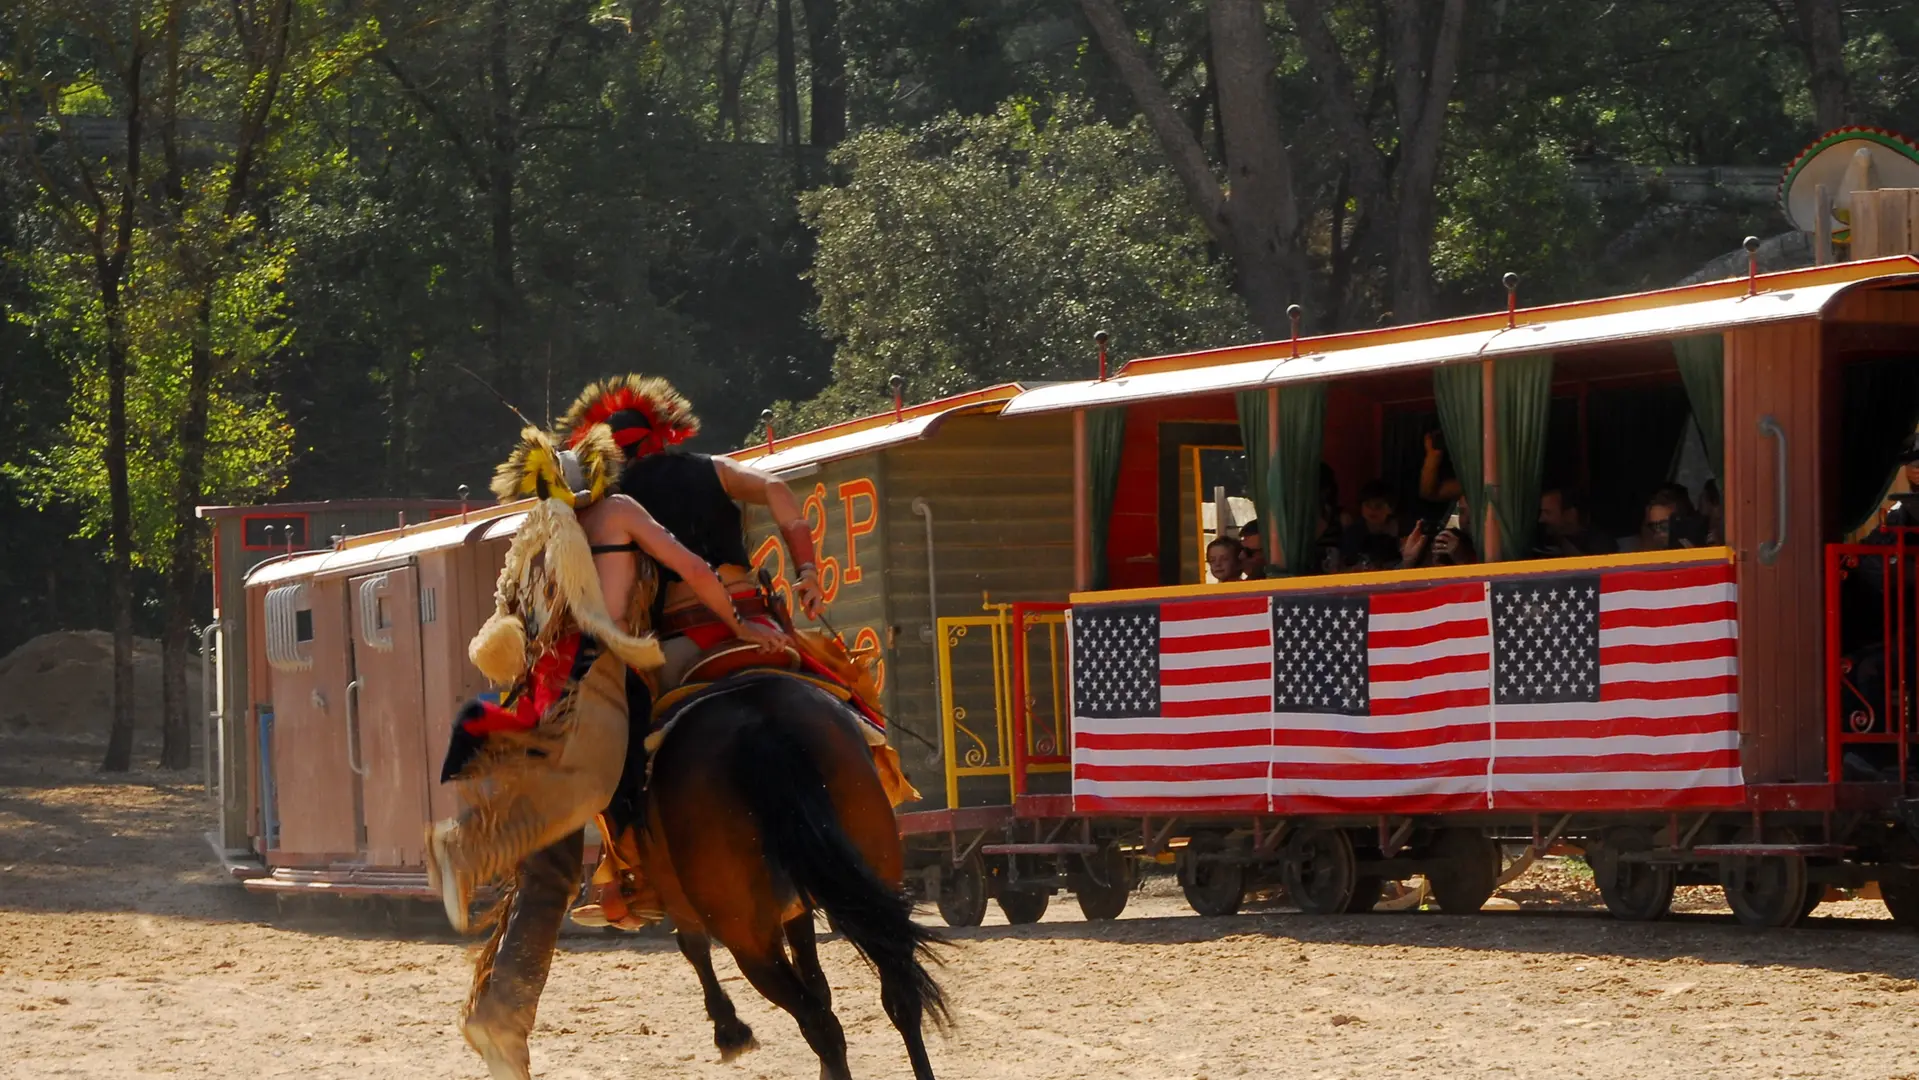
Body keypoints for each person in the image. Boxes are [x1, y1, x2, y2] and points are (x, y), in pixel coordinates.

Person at [425, 422, 787, 1075]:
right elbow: (691, 566)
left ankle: (502, 1018)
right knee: (625, 781)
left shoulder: (537, 533)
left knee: (549, 877)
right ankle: (590, 873)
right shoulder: (619, 513)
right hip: (591, 690)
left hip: (531, 694)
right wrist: (739, 625)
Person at [553, 375, 914, 929]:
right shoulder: (708, 469)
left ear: (608, 453)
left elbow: (684, 574)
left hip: (677, 641)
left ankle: (631, 872)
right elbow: (776, 490)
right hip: (763, 620)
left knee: (623, 747)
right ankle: (883, 784)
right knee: (848, 687)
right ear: (664, 434)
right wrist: (808, 573)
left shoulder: (615, 502)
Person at [1535, 487, 1615, 557]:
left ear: (1570, 514)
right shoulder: (1545, 540)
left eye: (1548, 513)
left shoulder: (1600, 544)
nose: (1541, 519)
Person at [1342, 481, 1402, 565]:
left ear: (1391, 509)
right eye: (1367, 505)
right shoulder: (1353, 533)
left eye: (1378, 506)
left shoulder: (1401, 532)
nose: (1372, 510)